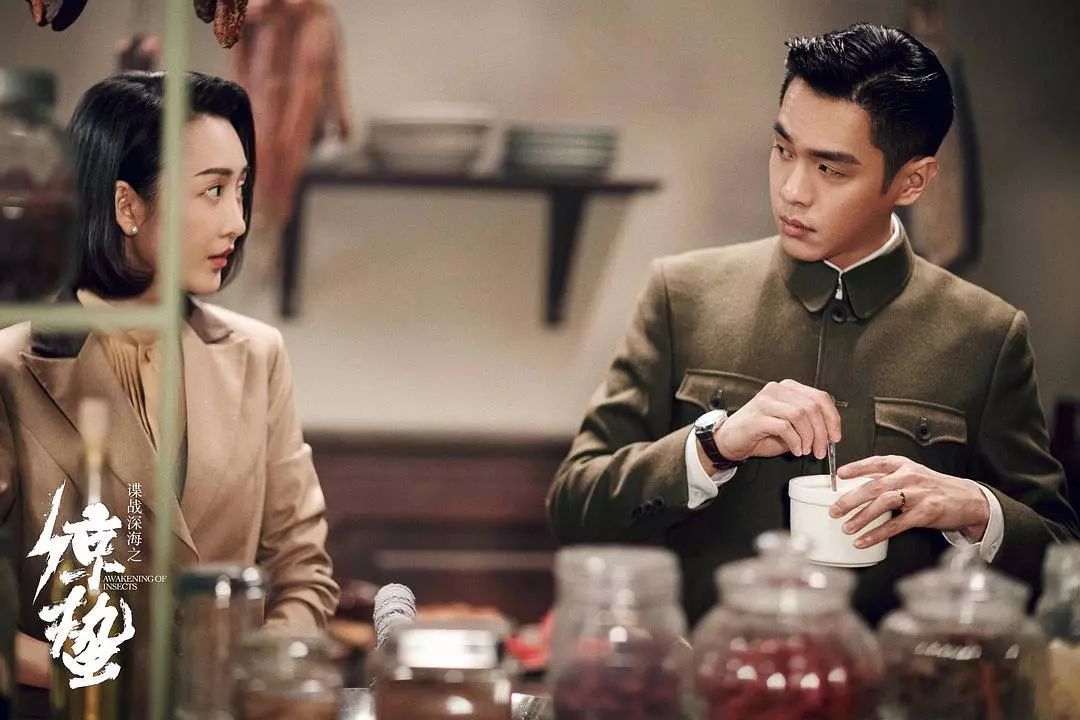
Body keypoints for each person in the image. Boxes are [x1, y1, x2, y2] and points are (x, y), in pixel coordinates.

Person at [547, 23, 1078, 626]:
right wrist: (713, 446)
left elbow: (1063, 557)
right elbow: (574, 509)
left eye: (830, 169)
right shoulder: (682, 294)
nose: (793, 191)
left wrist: (977, 508)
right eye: (783, 150)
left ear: (912, 181)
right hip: (707, 671)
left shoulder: (987, 334)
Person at [0, 72, 339, 704]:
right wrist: (89, 674)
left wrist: (249, 675)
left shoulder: (256, 356)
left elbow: (302, 571)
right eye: (212, 190)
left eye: (241, 189)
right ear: (127, 206)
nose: (237, 221)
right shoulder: (11, 369)